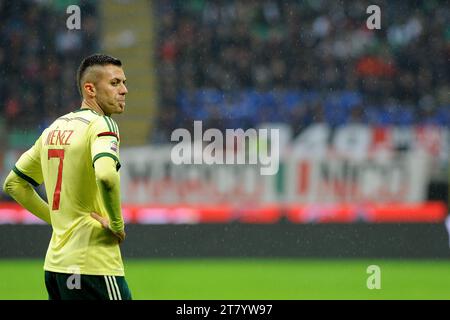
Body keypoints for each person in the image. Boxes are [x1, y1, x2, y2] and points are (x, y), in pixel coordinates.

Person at [3, 54, 132, 300]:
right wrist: (117, 224)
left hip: (56, 268)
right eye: (115, 83)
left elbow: (14, 184)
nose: (124, 90)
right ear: (90, 89)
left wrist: (57, 220)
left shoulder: (55, 128)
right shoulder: (103, 125)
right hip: (93, 265)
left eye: (124, 83)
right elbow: (106, 175)